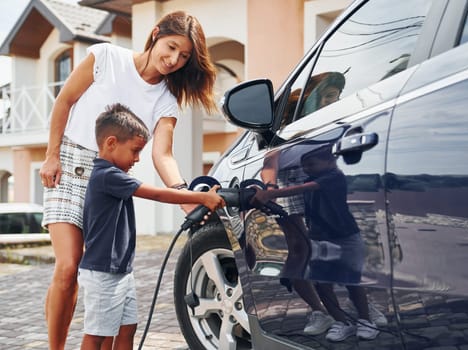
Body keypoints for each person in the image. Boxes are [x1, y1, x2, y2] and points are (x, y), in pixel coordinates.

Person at [38, 11, 217, 349]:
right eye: (172, 47)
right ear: (155, 34)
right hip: (69, 166)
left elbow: (162, 154)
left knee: (98, 274)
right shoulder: (106, 57)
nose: (174, 60)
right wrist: (51, 153)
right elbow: (65, 101)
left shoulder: (167, 98)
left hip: (110, 183)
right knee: (67, 267)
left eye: (184, 56)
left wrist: (185, 196)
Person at [78, 103, 224, 350]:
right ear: (111, 143)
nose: (136, 159)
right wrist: (201, 197)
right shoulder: (107, 175)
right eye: (135, 151)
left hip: (120, 270)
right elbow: (156, 194)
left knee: (127, 328)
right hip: (103, 272)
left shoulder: (113, 175)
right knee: (98, 335)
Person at [252, 145, 380, 342]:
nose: (306, 169)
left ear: (330, 162)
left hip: (345, 239)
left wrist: (271, 194)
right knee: (322, 284)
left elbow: (304, 187)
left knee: (351, 281)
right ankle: (341, 322)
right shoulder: (313, 177)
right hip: (320, 238)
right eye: (304, 166)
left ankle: (365, 320)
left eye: (311, 164)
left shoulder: (333, 177)